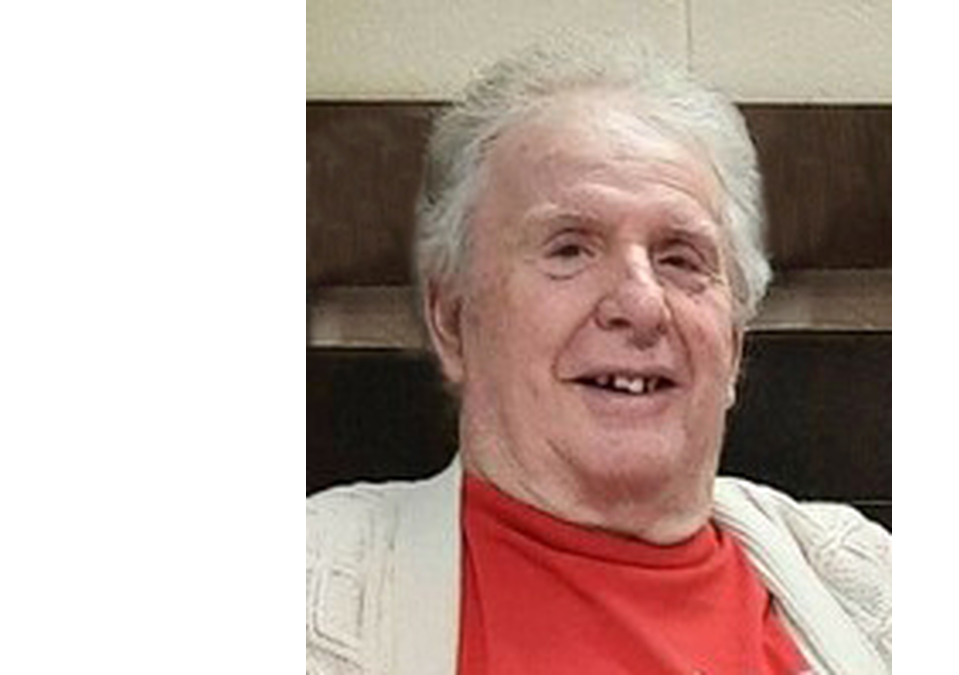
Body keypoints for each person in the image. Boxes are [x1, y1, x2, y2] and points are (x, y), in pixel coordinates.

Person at [307, 40, 891, 675]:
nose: (641, 304)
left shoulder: (872, 590)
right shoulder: (309, 583)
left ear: (733, 344)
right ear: (452, 324)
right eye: (570, 250)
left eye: (680, 258)